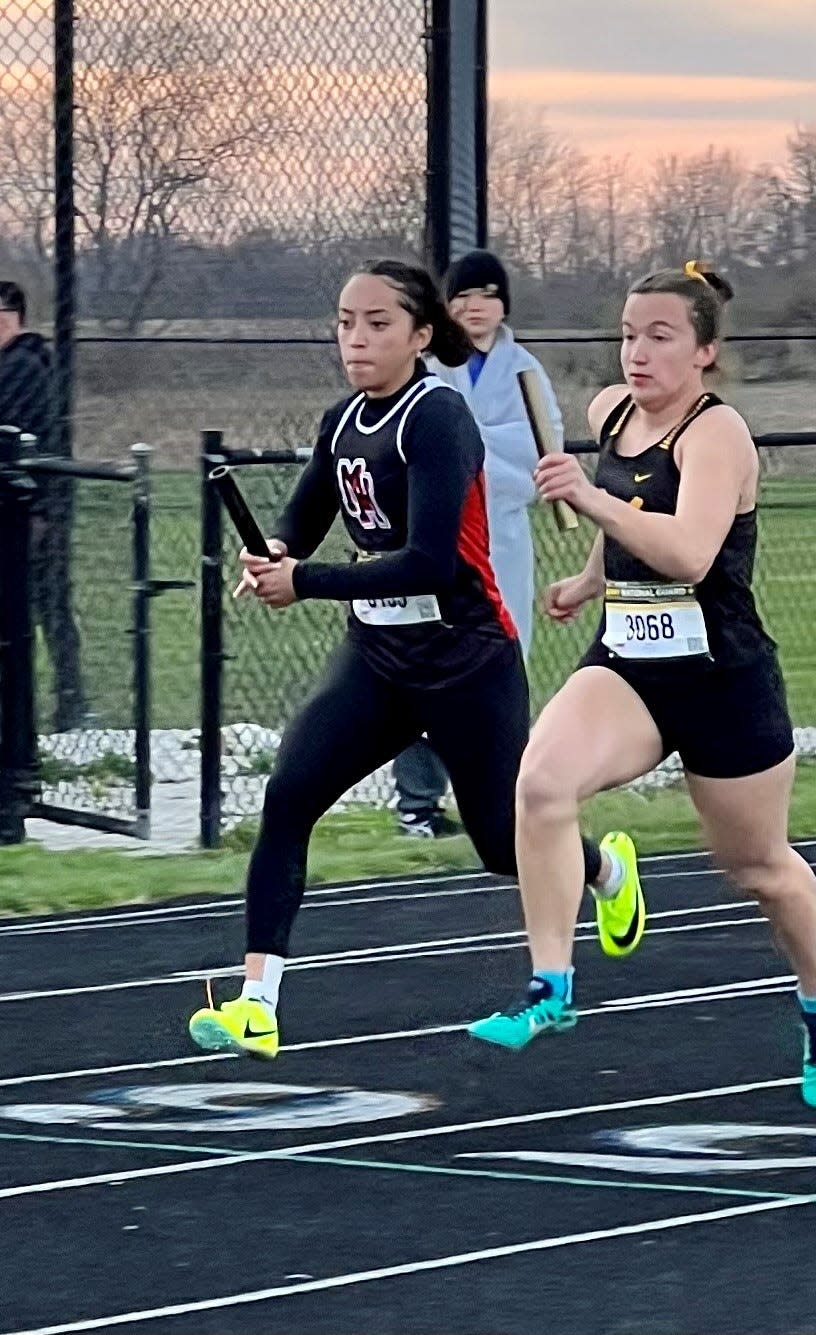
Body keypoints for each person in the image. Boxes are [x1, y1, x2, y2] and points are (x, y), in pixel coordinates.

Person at [186, 260, 626, 1060]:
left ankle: (601, 870)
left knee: (500, 841)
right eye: (345, 322)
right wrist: (279, 550)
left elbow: (429, 562)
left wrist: (305, 582)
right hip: (378, 657)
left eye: (377, 323)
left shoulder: (438, 419)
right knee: (287, 797)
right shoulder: (345, 417)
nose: (356, 338)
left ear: (421, 335)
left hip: (465, 659)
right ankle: (257, 1004)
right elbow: (310, 506)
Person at [468, 261, 816, 1111]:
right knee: (538, 782)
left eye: (659, 337)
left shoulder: (718, 436)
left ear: (705, 351)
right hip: (630, 665)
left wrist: (588, 504)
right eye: (626, 335)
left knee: (753, 865)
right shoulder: (611, 412)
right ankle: (550, 984)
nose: (636, 354)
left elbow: (686, 552)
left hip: (722, 678)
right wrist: (586, 581)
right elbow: (625, 518)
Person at [392, 249, 562, 838]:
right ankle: (417, 803)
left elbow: (540, 451)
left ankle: (496, 801)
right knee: (421, 661)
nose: (476, 308)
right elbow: (412, 444)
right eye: (463, 297)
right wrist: (468, 445)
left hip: (503, 540)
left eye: (487, 296)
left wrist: (467, 441)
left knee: (495, 668)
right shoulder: (425, 367)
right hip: (438, 537)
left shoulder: (525, 371)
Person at [0, 281, 85, 731]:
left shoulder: (22, 367)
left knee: (44, 608)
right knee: (44, 609)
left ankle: (67, 703)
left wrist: (42, 514)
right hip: (32, 510)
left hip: (32, 513)